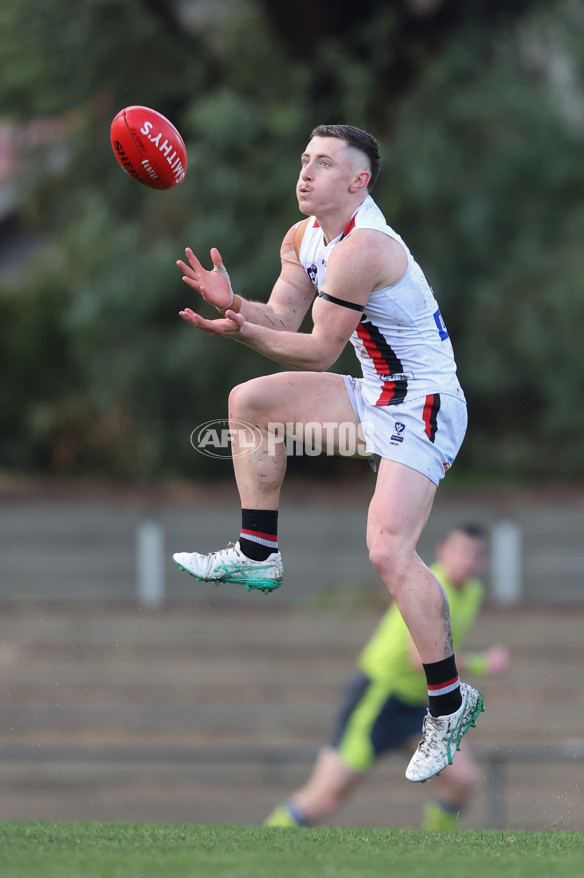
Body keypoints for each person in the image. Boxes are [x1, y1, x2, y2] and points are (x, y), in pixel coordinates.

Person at [173, 123, 483, 783]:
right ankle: (258, 553)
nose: (307, 173)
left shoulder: (364, 248)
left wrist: (238, 328)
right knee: (249, 403)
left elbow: (318, 350)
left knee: (387, 550)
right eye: (305, 160)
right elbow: (283, 321)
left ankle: (450, 704)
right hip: (376, 393)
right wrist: (236, 305)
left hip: (424, 403)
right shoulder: (302, 237)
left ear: (358, 182)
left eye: (324, 164)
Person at [264, 523, 510, 830]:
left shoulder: (472, 593)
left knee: (462, 780)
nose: (465, 560)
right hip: (380, 695)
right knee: (327, 795)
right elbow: (418, 657)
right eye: (460, 551)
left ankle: (432, 855)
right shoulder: (429, 585)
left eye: (474, 555)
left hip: (416, 705)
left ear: (482, 562)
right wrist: (481, 663)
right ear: (442, 552)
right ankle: (269, 838)